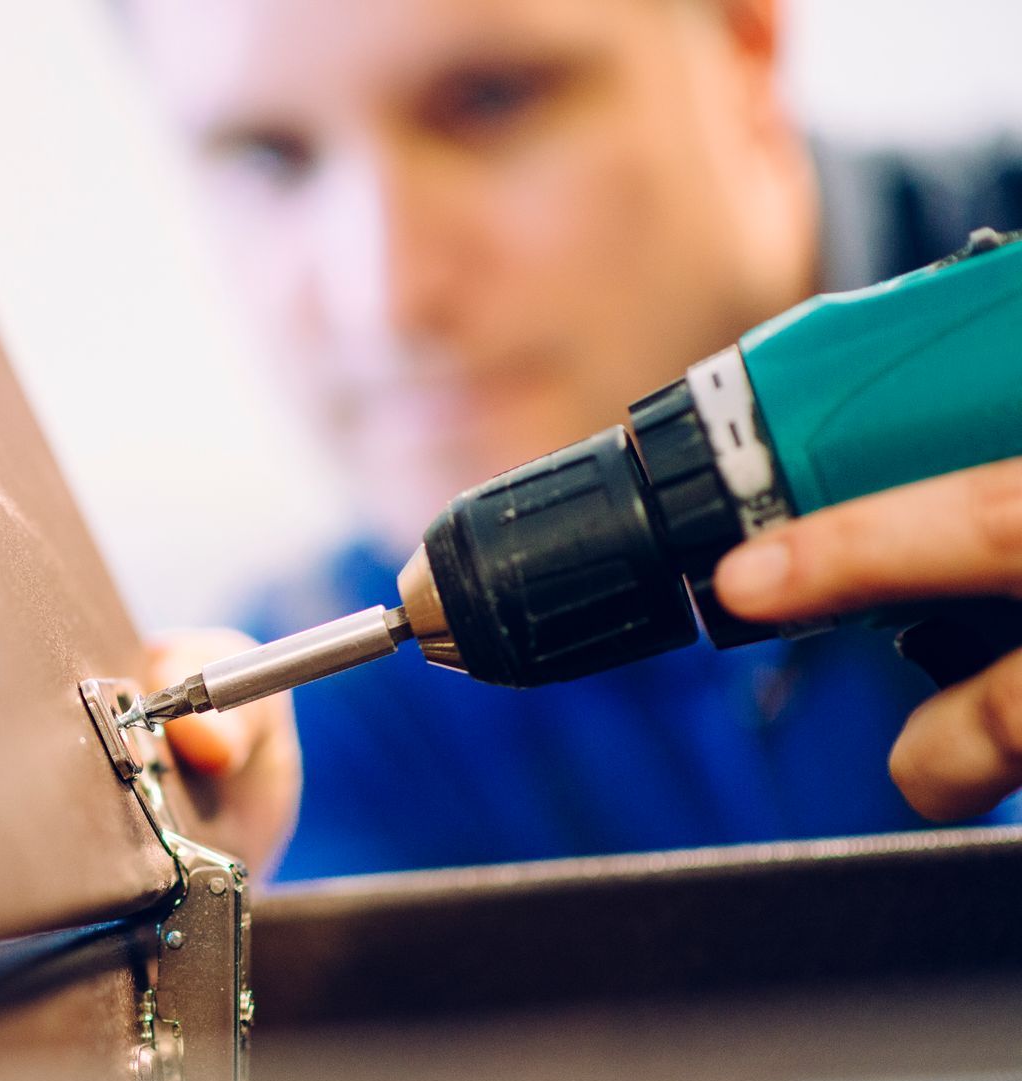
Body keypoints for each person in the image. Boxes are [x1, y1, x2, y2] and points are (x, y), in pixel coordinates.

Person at [118, 0, 1022, 878]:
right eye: (270, 160)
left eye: (492, 100)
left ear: (746, 37)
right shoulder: (314, 742)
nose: (386, 298)